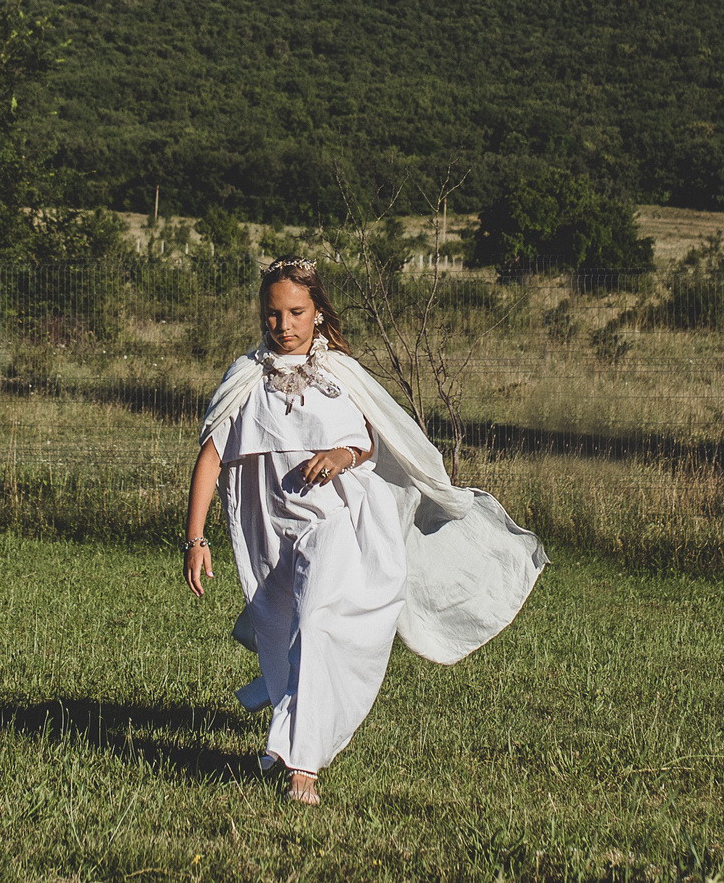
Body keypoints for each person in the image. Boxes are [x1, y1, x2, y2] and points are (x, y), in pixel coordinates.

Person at [182, 255, 548, 804]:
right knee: (283, 633)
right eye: (273, 314)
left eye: (296, 312)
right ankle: (295, 727)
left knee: (321, 617)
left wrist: (342, 453)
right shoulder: (246, 379)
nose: (284, 325)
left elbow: (370, 441)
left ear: (318, 313)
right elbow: (210, 458)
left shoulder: (339, 374)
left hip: (335, 520)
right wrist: (196, 538)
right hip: (270, 529)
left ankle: (301, 763)